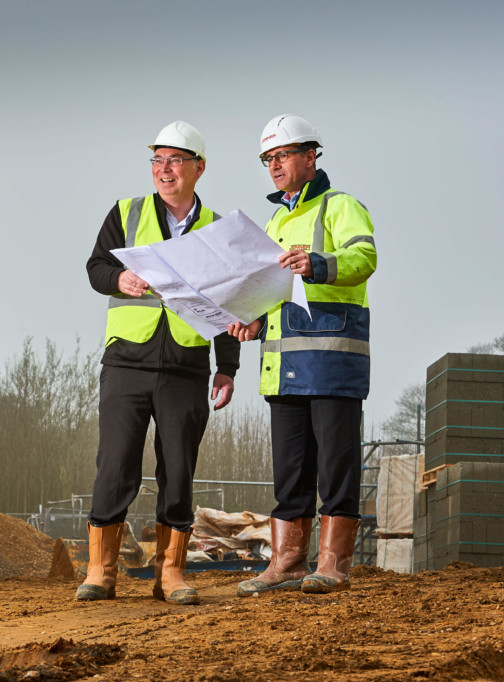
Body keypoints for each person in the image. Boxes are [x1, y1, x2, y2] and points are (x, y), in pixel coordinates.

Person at [80, 121, 239, 604]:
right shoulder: (125, 213)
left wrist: (227, 367)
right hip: (127, 362)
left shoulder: (216, 228)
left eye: (174, 160)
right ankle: (99, 569)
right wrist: (119, 280)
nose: (164, 169)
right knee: (115, 464)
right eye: (157, 160)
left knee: (178, 469)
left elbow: (231, 301)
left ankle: (170, 571)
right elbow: (95, 269)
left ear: (198, 168)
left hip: (187, 367)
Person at [229, 115, 377, 595]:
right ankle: (288, 561)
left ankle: (333, 563)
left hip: (331, 361)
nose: (274, 165)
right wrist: (253, 320)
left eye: (283, 155)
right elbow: (275, 290)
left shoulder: (340, 205)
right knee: (290, 471)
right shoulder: (274, 220)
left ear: (310, 157)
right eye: (268, 158)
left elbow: (364, 259)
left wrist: (318, 263)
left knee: (336, 465)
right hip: (282, 367)